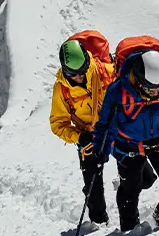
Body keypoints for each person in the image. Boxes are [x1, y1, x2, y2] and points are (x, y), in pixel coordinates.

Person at [86, 38, 159, 230]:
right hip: (128, 145)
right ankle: (128, 229)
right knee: (130, 191)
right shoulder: (118, 90)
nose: (155, 92)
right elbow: (105, 125)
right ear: (139, 79)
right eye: (150, 88)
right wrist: (100, 152)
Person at [49, 30, 116, 224]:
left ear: (88, 60)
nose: (78, 77)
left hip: (115, 130)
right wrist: (79, 138)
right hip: (88, 137)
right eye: (72, 74)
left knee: (145, 177)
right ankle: (98, 223)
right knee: (93, 188)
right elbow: (58, 124)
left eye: (82, 70)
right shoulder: (61, 89)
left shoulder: (105, 72)